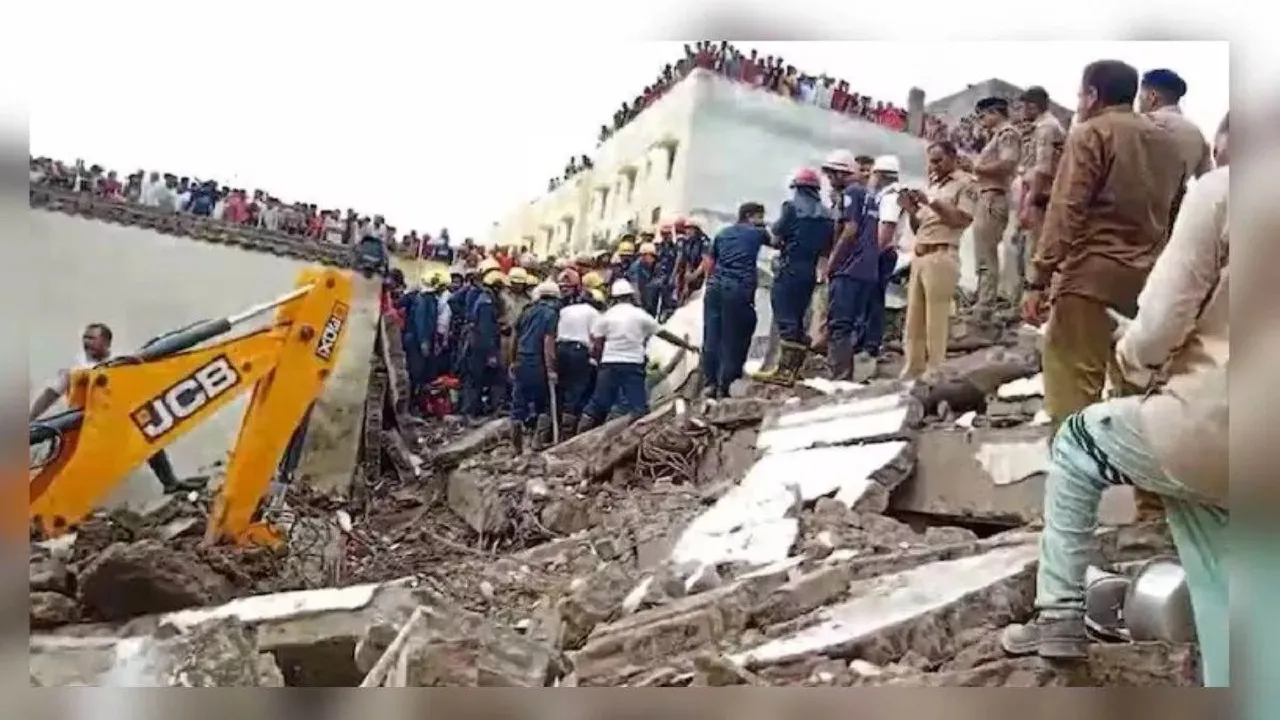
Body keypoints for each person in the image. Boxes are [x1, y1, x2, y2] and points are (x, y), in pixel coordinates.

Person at [1001, 133, 1228, 687]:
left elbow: (1158, 323)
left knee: (1079, 441)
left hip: (1219, 421)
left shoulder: (1224, 192)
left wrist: (1133, 359)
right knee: (1222, 540)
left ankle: (1058, 613)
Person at [1020, 59, 1184, 433]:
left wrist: (1038, 279)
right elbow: (1176, 213)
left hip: (1089, 279)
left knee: (1072, 391)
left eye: (1081, 93)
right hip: (1145, 281)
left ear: (1093, 95)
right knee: (1134, 386)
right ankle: (1142, 485)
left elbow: (1066, 210)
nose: (1078, 102)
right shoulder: (1168, 145)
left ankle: (1073, 480)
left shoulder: (1090, 133)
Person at [29, 322, 193, 494]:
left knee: (149, 439)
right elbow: (50, 394)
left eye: (92, 338)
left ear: (106, 342)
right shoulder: (74, 369)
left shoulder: (122, 361)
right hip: (85, 428)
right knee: (65, 468)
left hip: (118, 422)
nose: (86, 342)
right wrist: (31, 417)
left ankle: (170, 483)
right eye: (85, 338)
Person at [897, 141, 977, 378]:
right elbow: (920, 226)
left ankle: (935, 369)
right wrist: (912, 209)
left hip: (942, 254)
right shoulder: (934, 185)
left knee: (936, 319)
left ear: (952, 157)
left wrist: (930, 201)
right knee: (914, 319)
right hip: (921, 254)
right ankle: (913, 367)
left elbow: (960, 219)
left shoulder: (965, 184)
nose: (933, 166)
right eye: (930, 161)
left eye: (938, 160)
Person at [578, 280, 698, 432]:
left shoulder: (607, 316)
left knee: (597, 403)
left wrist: (599, 360)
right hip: (632, 365)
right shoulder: (640, 315)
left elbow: (597, 342)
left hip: (609, 364)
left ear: (614, 297)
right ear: (631, 296)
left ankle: (576, 437)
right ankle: (635, 439)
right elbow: (663, 334)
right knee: (639, 408)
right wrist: (686, 345)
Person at [754, 169, 835, 386]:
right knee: (799, 318)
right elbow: (827, 247)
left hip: (789, 267)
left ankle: (784, 371)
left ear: (797, 188)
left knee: (785, 316)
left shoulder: (791, 209)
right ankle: (794, 369)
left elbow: (776, 236)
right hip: (810, 271)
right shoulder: (827, 216)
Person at [703, 202, 768, 398]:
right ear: (750, 216)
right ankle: (727, 385)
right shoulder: (757, 232)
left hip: (714, 288)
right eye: (760, 217)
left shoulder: (722, 233)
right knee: (736, 337)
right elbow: (778, 241)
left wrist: (710, 282)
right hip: (738, 289)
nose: (762, 221)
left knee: (712, 336)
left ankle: (710, 384)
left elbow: (709, 262)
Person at [968, 96, 1022, 324]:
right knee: (982, 254)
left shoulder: (1006, 133)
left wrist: (977, 168)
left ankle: (985, 306)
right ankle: (983, 300)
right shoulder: (997, 136)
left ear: (995, 113)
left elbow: (1008, 163)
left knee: (986, 256)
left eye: (983, 116)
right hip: (987, 196)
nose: (981, 121)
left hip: (994, 197)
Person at [1015, 86, 1067, 288]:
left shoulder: (1046, 128)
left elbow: (1042, 169)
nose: (1022, 111)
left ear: (1033, 106)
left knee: (1035, 250)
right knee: (1028, 248)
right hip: (1038, 192)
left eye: (1024, 106)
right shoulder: (1043, 125)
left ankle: (1033, 301)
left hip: (1041, 196)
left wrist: (1029, 203)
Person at [508, 281, 562, 453]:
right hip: (538, 361)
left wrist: (512, 360)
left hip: (522, 359)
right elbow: (548, 343)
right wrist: (551, 368)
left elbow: (514, 338)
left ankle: (516, 445)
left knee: (519, 402)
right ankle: (536, 443)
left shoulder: (526, 310)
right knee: (543, 402)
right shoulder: (551, 313)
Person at [554, 283, 602, 436]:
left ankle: (556, 427)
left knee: (562, 387)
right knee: (577, 389)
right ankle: (568, 433)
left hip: (560, 348)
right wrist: (597, 358)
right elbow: (597, 339)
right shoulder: (594, 313)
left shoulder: (565, 310)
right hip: (578, 351)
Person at [461, 270, 506, 422]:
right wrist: (491, 354)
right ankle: (470, 413)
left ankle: (477, 409)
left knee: (478, 379)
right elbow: (486, 331)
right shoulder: (486, 303)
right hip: (481, 347)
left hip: (477, 345)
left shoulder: (482, 299)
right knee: (476, 379)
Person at [652, 222, 681, 321]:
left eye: (667, 233)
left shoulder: (676, 248)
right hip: (657, 276)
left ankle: (662, 319)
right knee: (653, 301)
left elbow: (677, 262)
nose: (666, 236)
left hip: (669, 276)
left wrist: (673, 276)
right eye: (663, 233)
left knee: (666, 301)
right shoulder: (657, 246)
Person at [628, 242, 659, 316]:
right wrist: (639, 305)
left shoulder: (653, 266)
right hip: (639, 300)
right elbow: (635, 286)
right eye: (651, 256)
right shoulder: (636, 267)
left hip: (649, 298)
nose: (653, 259)